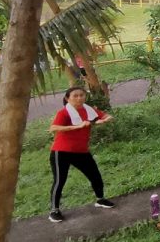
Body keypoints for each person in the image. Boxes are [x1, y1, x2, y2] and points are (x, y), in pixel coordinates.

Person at [46, 86, 116, 223]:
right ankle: (54, 210)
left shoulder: (89, 110)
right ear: (68, 98)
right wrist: (76, 126)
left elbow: (106, 116)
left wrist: (103, 120)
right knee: (60, 181)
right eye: (75, 96)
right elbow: (53, 128)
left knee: (95, 175)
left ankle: (100, 199)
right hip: (61, 151)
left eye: (82, 95)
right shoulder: (64, 113)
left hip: (81, 151)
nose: (79, 98)